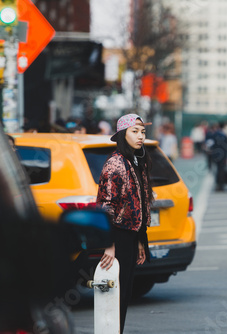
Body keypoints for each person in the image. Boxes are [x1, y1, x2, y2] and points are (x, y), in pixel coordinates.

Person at [96, 114, 153, 333]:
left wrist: (139, 240)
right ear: (123, 134)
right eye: (135, 131)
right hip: (117, 236)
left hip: (131, 235)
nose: (140, 136)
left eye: (143, 132)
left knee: (125, 292)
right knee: (114, 295)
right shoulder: (115, 164)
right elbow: (106, 205)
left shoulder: (136, 160)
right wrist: (109, 244)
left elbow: (140, 202)